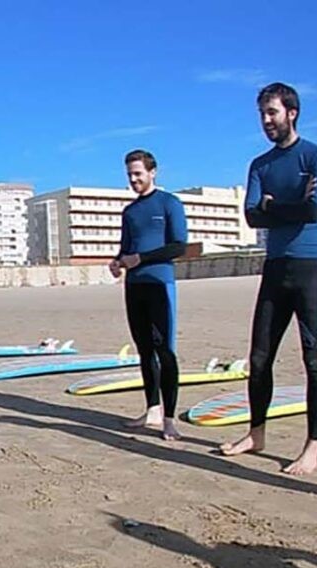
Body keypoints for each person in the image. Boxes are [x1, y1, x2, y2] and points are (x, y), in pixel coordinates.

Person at [220, 82, 317, 476]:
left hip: (310, 270)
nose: (266, 121)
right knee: (259, 358)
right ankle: (256, 434)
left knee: (314, 360)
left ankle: (312, 447)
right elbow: (252, 216)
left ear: (292, 112)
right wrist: (289, 205)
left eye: (272, 112)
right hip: (274, 269)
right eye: (262, 114)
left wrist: (275, 205)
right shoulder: (260, 165)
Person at [109, 149, 188, 441]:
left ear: (153, 172)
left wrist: (140, 259)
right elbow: (125, 247)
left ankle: (169, 419)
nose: (133, 179)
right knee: (144, 351)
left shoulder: (169, 203)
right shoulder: (129, 211)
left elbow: (178, 247)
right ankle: (152, 409)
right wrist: (117, 262)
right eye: (129, 174)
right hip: (134, 287)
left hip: (160, 285)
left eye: (138, 174)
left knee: (164, 351)